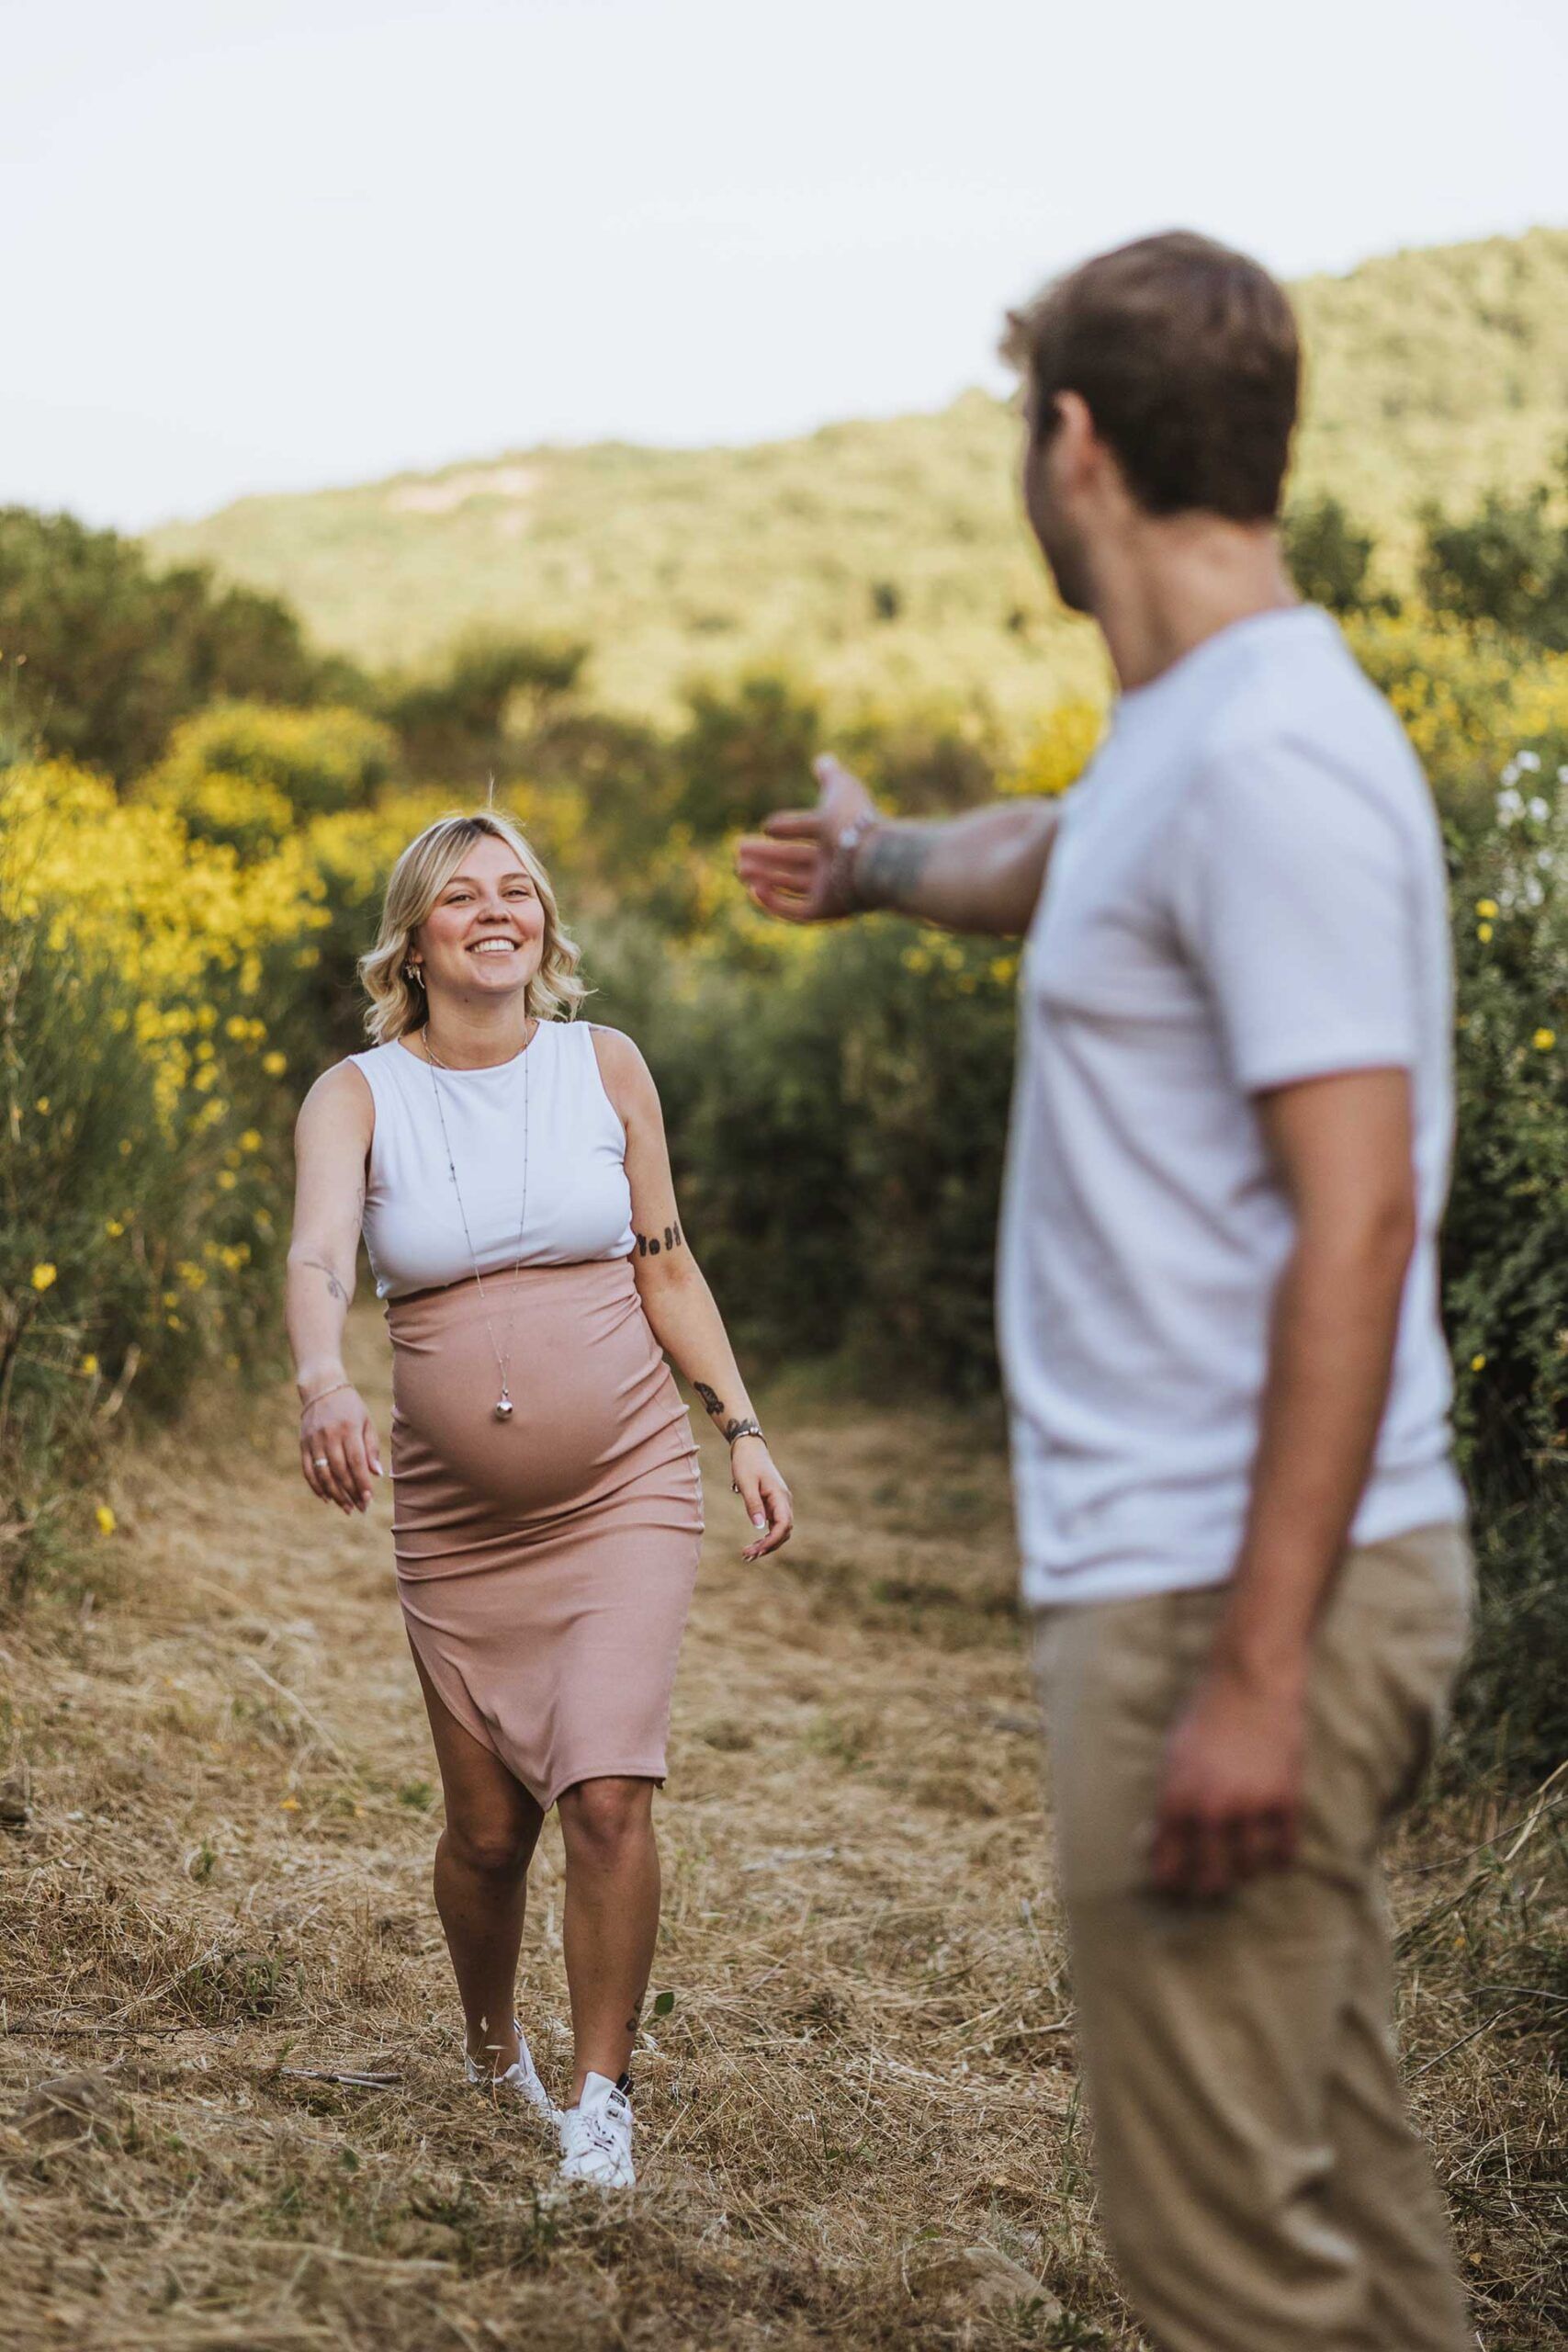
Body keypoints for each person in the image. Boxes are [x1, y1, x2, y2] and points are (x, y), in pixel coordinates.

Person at [736, 232, 1475, 2350]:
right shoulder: (1187, 732)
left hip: (1229, 1589)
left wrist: (1248, 1668)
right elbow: (1043, 852)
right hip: (1231, 1571)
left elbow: (1356, 1218)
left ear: (1070, 445)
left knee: (1221, 2270)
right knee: (1330, 2202)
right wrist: (874, 865)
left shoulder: (1263, 759)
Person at [287, 809, 793, 2189]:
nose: (496, 912)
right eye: (463, 897)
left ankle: (600, 2099)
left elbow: (667, 1266)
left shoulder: (607, 1067)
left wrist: (738, 1427)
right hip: (457, 1518)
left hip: (628, 1479)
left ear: (547, 927)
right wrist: (325, 1381)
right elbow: (322, 1255)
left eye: (520, 891)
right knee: (489, 1831)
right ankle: (487, 2044)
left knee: (611, 1793)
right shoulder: (359, 1094)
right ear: (417, 937)